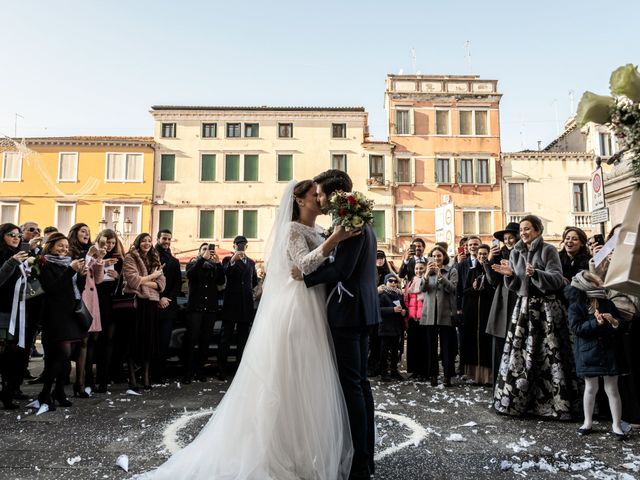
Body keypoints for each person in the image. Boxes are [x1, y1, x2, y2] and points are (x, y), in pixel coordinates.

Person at [135, 179, 356, 479]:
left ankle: (304, 450)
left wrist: (331, 240)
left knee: (310, 376)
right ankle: (279, 449)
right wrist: (335, 241)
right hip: (296, 307)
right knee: (291, 377)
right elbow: (301, 264)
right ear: (299, 200)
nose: (320, 199)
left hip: (314, 302)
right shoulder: (292, 229)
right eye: (314, 195)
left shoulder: (317, 230)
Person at [298, 169, 379, 480]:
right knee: (360, 386)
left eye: (319, 193)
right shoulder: (360, 220)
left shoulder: (349, 222)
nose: (317, 199)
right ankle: (365, 458)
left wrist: (305, 276)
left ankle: (360, 464)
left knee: (353, 388)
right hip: (362, 309)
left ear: (332, 194)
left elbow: (342, 269)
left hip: (348, 312)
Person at [492, 215, 578, 419]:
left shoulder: (548, 250)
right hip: (524, 309)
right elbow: (515, 284)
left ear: (538, 230)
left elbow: (558, 279)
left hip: (547, 308)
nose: (523, 233)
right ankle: (520, 403)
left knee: (550, 355)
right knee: (522, 355)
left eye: (527, 228)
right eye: (521, 229)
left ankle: (555, 404)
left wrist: (537, 273)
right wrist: (510, 276)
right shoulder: (515, 252)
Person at [565, 271, 629, 440]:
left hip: (609, 350)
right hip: (589, 352)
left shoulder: (606, 302)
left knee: (612, 389)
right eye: (594, 281)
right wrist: (595, 323)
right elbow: (576, 328)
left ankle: (616, 424)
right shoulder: (576, 305)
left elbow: (621, 323)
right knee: (591, 388)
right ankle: (587, 422)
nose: (599, 283)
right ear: (586, 285)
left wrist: (614, 322)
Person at [37, 232, 89, 411]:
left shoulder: (69, 264)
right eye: (60, 246)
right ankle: (45, 393)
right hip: (56, 316)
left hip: (71, 314)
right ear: (50, 246)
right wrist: (71, 271)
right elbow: (53, 289)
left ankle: (58, 391)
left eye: (66, 247)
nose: (64, 249)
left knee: (66, 358)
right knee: (59, 356)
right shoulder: (45, 264)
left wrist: (81, 275)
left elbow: (77, 290)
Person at [123, 233, 166, 391]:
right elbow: (133, 280)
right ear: (138, 242)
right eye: (144, 241)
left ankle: (146, 376)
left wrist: (148, 280)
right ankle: (132, 378)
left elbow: (162, 283)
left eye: (149, 241)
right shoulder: (130, 257)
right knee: (134, 341)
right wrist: (152, 277)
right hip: (136, 304)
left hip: (152, 304)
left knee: (148, 342)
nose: (147, 243)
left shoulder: (155, 258)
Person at [68, 223, 104, 397]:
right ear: (75, 233)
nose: (86, 234)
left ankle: (85, 380)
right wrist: (90, 256)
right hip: (79, 298)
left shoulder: (89, 252)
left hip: (92, 299)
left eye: (88, 232)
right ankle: (78, 382)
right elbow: (78, 274)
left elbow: (97, 279)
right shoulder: (70, 252)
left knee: (89, 341)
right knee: (80, 341)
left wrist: (100, 260)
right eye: (83, 231)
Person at [184, 243, 225, 383]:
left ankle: (200, 372)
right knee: (191, 341)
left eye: (209, 250)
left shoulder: (214, 267)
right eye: (204, 249)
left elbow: (221, 281)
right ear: (199, 252)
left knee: (205, 341)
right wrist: (202, 259)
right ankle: (188, 373)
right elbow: (190, 274)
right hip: (196, 308)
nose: (208, 252)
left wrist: (218, 264)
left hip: (210, 309)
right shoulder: (193, 264)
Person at [484, 222, 520, 384]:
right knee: (499, 344)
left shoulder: (523, 254)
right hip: (501, 301)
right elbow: (492, 281)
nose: (508, 241)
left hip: (518, 299)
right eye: (505, 238)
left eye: (511, 237)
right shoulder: (500, 255)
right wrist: (490, 259)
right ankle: (499, 384)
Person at [219, 235, 258, 380]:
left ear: (246, 247)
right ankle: (221, 369)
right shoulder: (228, 260)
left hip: (245, 304)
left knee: (243, 340)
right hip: (230, 304)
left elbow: (253, 281)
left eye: (243, 245)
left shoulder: (252, 263)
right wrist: (233, 261)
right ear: (234, 245)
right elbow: (224, 274)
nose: (241, 247)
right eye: (238, 244)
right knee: (225, 338)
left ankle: (239, 370)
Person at [0, 223, 29, 409]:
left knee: (13, 354)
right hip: (2, 310)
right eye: (11, 234)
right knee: (2, 353)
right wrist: (12, 262)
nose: (16, 238)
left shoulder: (22, 255)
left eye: (19, 235)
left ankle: (8, 392)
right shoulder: (6, 256)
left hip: (17, 310)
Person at [420, 246, 458, 387]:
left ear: (444, 257)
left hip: (445, 313)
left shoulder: (452, 271)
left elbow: (452, 289)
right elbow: (422, 289)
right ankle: (433, 375)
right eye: (434, 256)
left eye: (439, 256)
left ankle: (447, 376)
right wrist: (425, 275)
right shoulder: (427, 272)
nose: (436, 258)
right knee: (431, 347)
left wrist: (440, 276)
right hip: (430, 313)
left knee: (447, 347)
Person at [94, 229, 125, 392]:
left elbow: (127, 280)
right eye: (107, 242)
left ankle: (106, 377)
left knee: (109, 339)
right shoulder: (93, 255)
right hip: (96, 299)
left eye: (113, 243)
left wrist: (118, 276)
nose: (110, 246)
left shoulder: (120, 259)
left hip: (113, 301)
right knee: (96, 340)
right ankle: (96, 376)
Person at [461, 244, 495, 385]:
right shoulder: (472, 270)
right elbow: (465, 290)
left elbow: (494, 288)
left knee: (486, 341)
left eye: (485, 254)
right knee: (473, 342)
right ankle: (474, 376)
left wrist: (483, 288)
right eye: (480, 254)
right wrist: (474, 288)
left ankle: (487, 376)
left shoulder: (491, 270)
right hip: (473, 311)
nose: (482, 256)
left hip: (487, 310)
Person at [155, 229, 181, 383]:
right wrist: (158, 298)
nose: (166, 241)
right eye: (164, 238)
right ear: (158, 239)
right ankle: (149, 373)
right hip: (152, 304)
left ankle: (160, 374)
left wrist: (166, 298)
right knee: (152, 341)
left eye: (169, 239)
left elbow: (178, 284)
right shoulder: (151, 256)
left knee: (164, 342)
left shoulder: (174, 261)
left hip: (168, 306)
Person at [456, 235, 481, 376]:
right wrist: (458, 307)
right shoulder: (462, 264)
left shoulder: (484, 261)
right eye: (470, 244)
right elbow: (458, 287)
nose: (473, 246)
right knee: (464, 337)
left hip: (480, 305)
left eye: (475, 244)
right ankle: (463, 367)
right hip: (466, 304)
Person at [378, 273, 407, 382]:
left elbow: (404, 308)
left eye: (395, 281)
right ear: (386, 282)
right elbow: (378, 310)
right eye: (390, 281)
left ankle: (394, 371)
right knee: (384, 351)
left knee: (396, 351)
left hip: (397, 327)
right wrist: (392, 310)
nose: (393, 283)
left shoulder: (399, 294)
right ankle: (384, 372)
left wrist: (404, 312)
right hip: (385, 327)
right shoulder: (381, 294)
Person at [405, 259, 427, 380]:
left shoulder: (426, 281)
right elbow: (407, 300)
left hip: (423, 318)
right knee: (413, 346)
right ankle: (414, 370)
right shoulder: (410, 283)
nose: (418, 271)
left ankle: (423, 372)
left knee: (423, 346)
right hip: (412, 318)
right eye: (417, 269)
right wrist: (407, 318)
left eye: (421, 268)